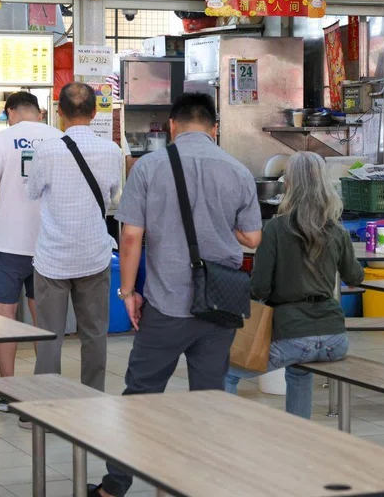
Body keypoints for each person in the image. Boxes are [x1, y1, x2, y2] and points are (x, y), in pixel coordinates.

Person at [90, 92, 262, 497]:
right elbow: (253, 237)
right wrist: (222, 230)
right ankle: (197, 484)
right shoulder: (237, 171)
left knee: (142, 397)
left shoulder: (149, 167)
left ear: (172, 126)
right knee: (208, 399)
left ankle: (115, 486)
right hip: (219, 306)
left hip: (166, 306)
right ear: (214, 127)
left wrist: (128, 292)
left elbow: (131, 236)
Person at [223, 151, 362, 419]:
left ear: (289, 184)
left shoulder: (275, 229)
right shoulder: (337, 231)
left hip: (293, 334)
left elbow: (259, 288)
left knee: (225, 371)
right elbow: (355, 276)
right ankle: (301, 436)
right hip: (335, 338)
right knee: (299, 370)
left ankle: (224, 434)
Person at [27, 83, 122, 393]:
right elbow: (113, 197)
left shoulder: (46, 150)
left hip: (53, 256)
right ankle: (93, 400)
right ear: (95, 112)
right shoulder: (111, 150)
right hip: (94, 253)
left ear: (59, 113)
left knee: (49, 334)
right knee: (95, 333)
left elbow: (32, 191)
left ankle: (43, 408)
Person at [0, 92, 63, 414]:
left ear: (10, 112)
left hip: (9, 242)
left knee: (5, 317)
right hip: (49, 242)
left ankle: (7, 391)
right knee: (44, 317)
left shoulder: (3, 139)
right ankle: (46, 388)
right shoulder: (59, 138)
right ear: (40, 112)